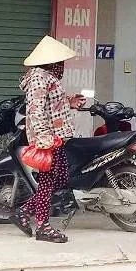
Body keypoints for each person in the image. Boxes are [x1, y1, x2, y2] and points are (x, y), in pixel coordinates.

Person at [9, 35, 84, 243]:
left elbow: (52, 103)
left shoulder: (46, 77)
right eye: (60, 62)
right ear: (50, 62)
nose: (62, 66)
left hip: (57, 138)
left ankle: (24, 212)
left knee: (60, 179)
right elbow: (36, 109)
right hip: (49, 140)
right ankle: (43, 226)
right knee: (48, 183)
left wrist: (70, 101)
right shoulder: (38, 78)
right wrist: (44, 138)